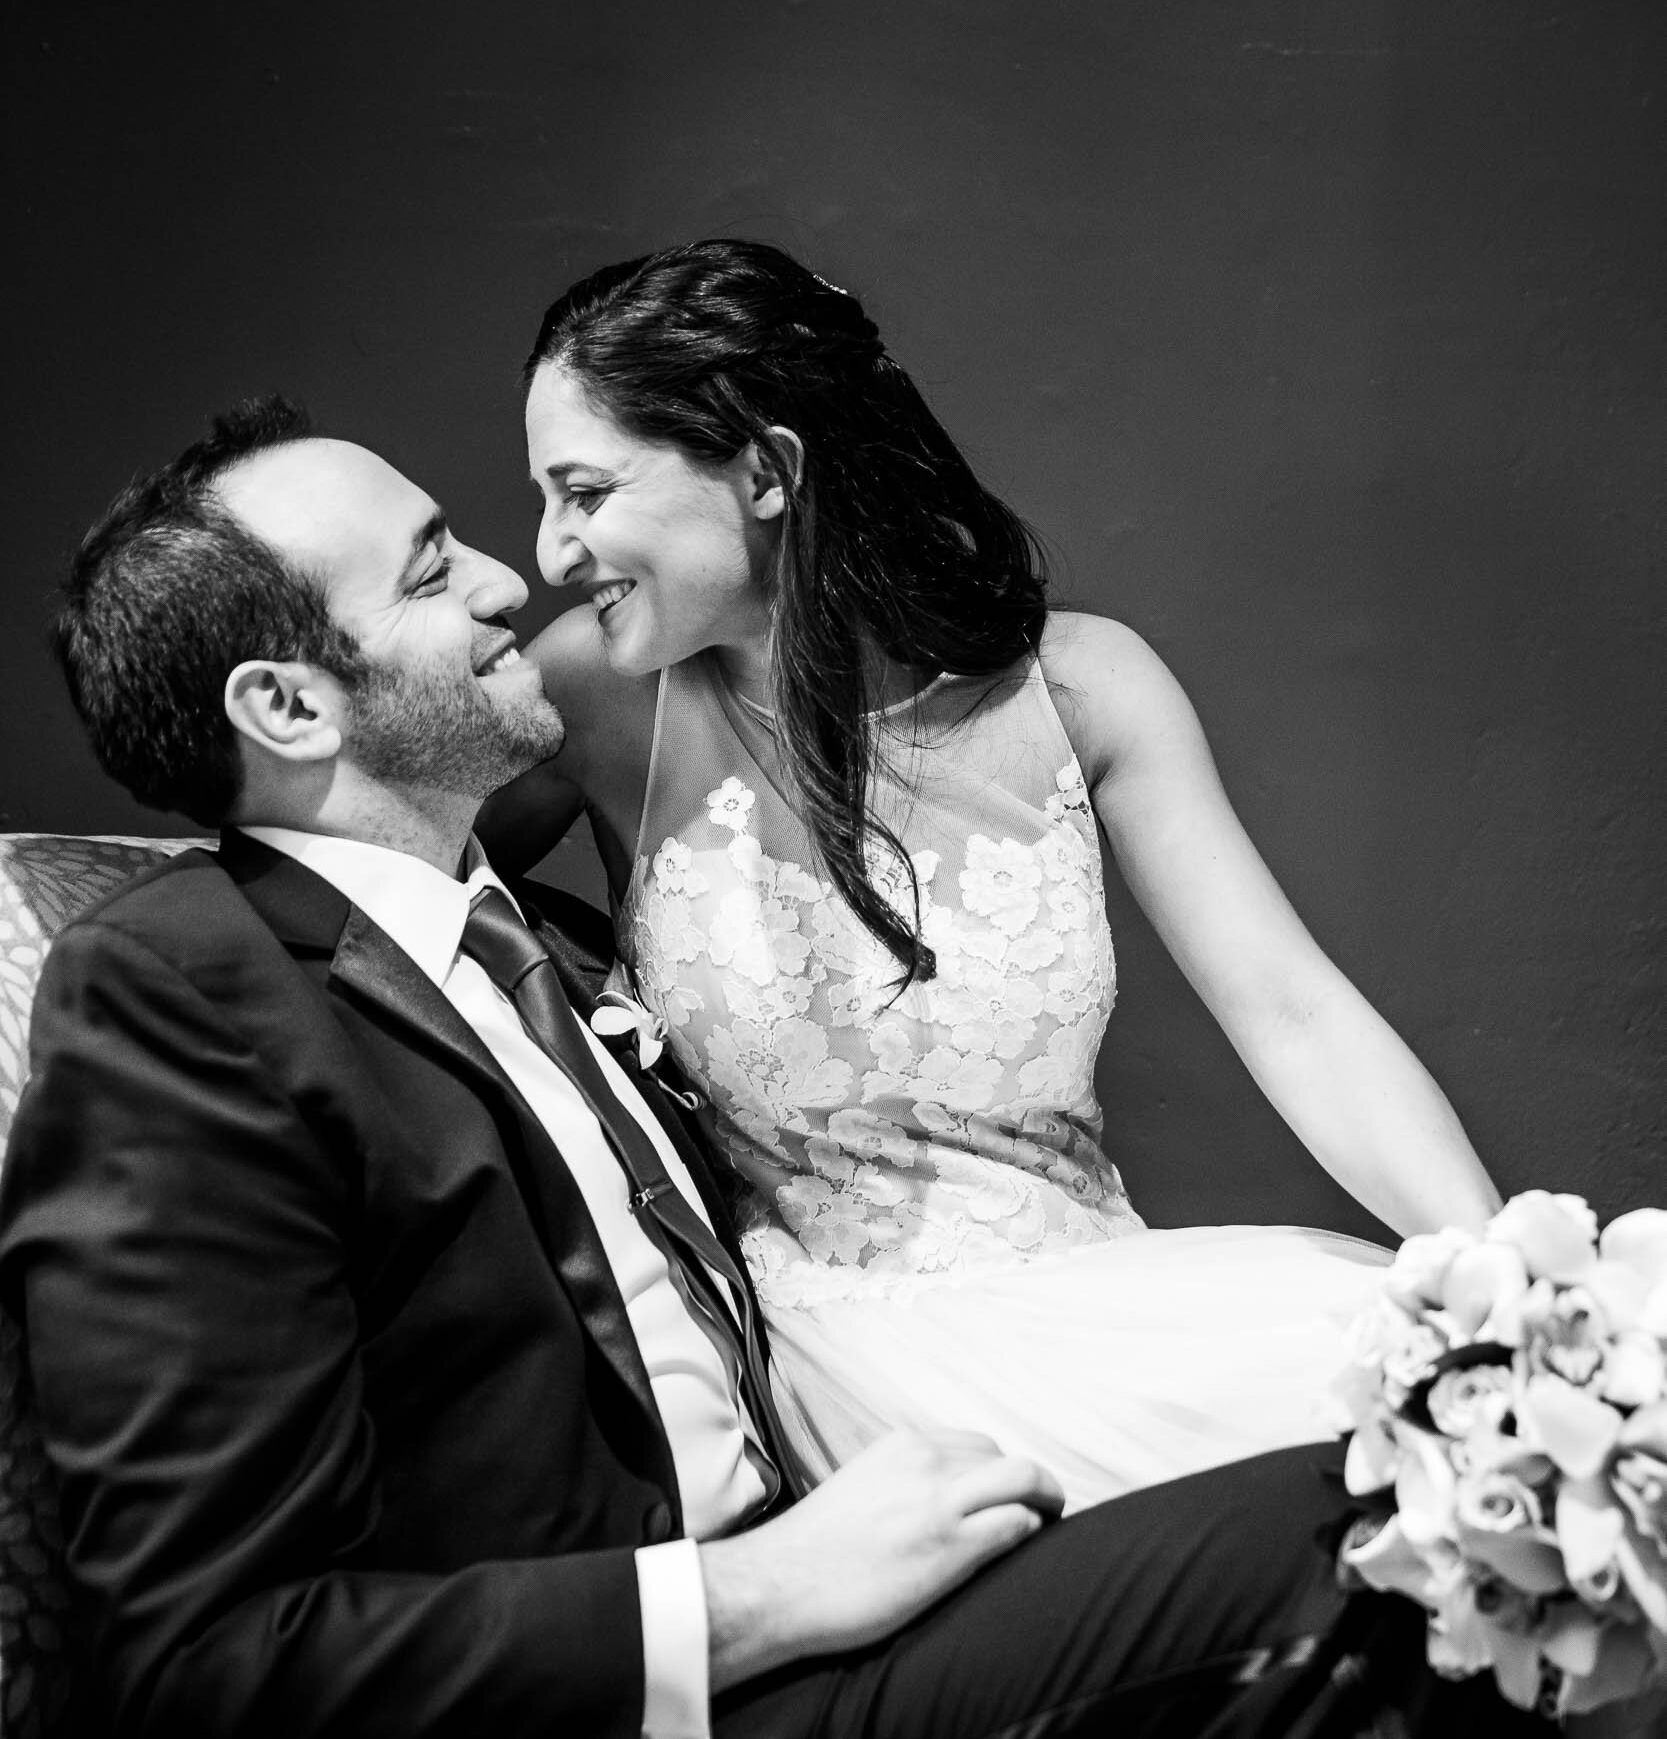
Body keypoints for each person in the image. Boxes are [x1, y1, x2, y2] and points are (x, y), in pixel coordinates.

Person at [0, 393, 1514, 1739]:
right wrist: (756, 1598)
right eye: (430, 564)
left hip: (888, 1492)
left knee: (1488, 1477)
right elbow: (199, 1658)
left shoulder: (537, 947)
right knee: (1398, 1533)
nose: (513, 576)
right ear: (283, 703)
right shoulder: (177, 985)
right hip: (730, 1647)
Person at [494, 237, 1502, 1511]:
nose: (548, 551)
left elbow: (1289, 1010)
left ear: (765, 469)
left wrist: (1505, 1274)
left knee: (1468, 1401)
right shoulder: (596, 695)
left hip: (1100, 1313)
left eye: (582, 492)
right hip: (835, 1363)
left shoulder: (1087, 689)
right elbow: (381, 879)